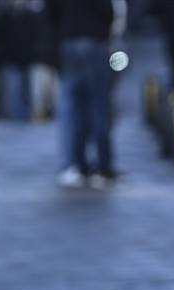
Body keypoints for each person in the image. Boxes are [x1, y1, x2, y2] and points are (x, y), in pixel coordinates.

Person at [45, 0, 115, 188]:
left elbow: (50, 14)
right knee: (97, 105)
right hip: (93, 40)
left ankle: (73, 164)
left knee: (71, 107)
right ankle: (102, 165)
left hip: (68, 41)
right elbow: (107, 10)